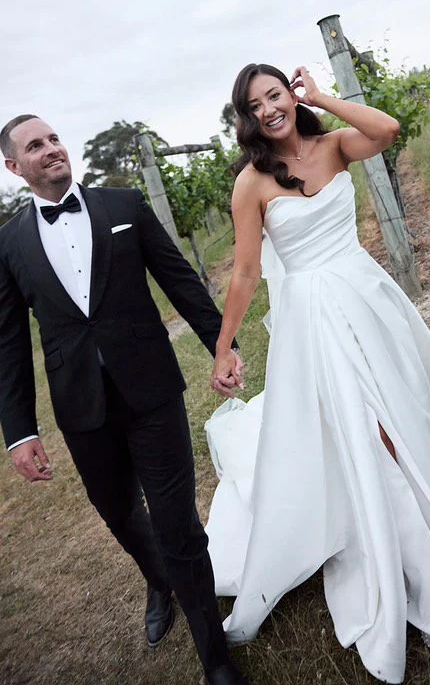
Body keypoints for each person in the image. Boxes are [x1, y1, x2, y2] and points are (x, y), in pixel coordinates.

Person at [204, 64, 430, 684]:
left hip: (364, 294)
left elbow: (386, 129)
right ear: (246, 119)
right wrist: (224, 346)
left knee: (394, 405)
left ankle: (406, 486)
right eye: (255, 106)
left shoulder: (334, 144)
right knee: (366, 429)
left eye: (276, 95)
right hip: (314, 318)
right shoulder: (251, 183)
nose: (269, 110)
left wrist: (321, 98)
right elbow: (246, 273)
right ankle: (411, 565)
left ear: (291, 95)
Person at [0, 115, 249, 685]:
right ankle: (159, 581)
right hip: (80, 407)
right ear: (14, 167)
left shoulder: (125, 204)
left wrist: (223, 346)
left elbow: (180, 279)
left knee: (178, 524)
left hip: (152, 391)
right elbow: (9, 343)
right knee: (118, 513)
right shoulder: (8, 244)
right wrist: (20, 431)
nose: (51, 149)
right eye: (35, 146)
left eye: (54, 138)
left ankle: (215, 659)